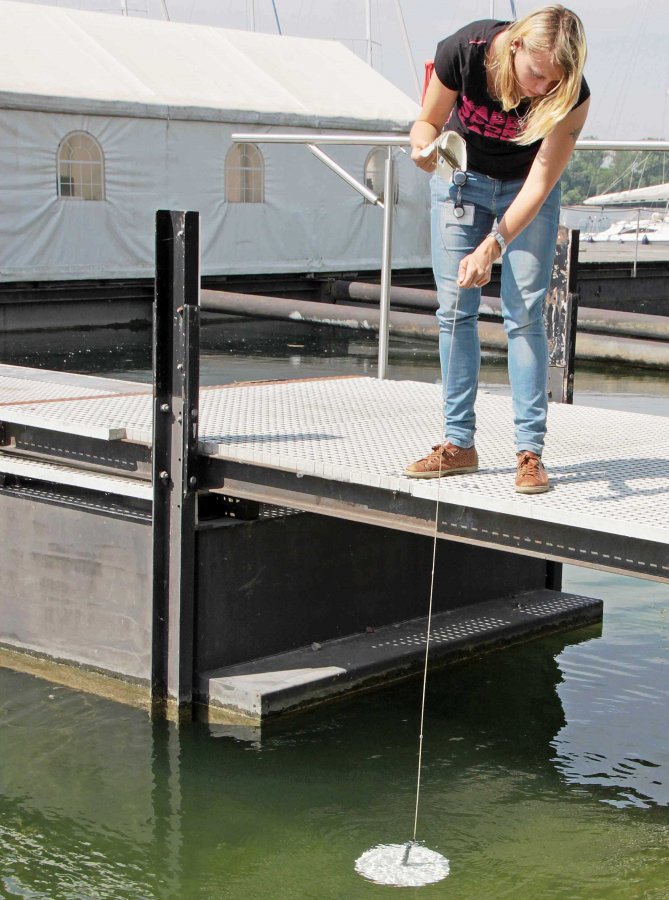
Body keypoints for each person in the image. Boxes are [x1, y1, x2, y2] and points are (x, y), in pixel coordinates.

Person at [404, 4, 589, 494]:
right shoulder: (462, 52)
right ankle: (458, 444)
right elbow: (425, 123)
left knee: (524, 313)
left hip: (525, 191)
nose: (542, 90)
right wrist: (424, 151)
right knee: (454, 309)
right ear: (515, 47)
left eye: (555, 82)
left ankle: (530, 454)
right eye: (537, 75)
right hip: (461, 183)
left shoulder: (572, 95)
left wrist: (493, 244)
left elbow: (541, 183)